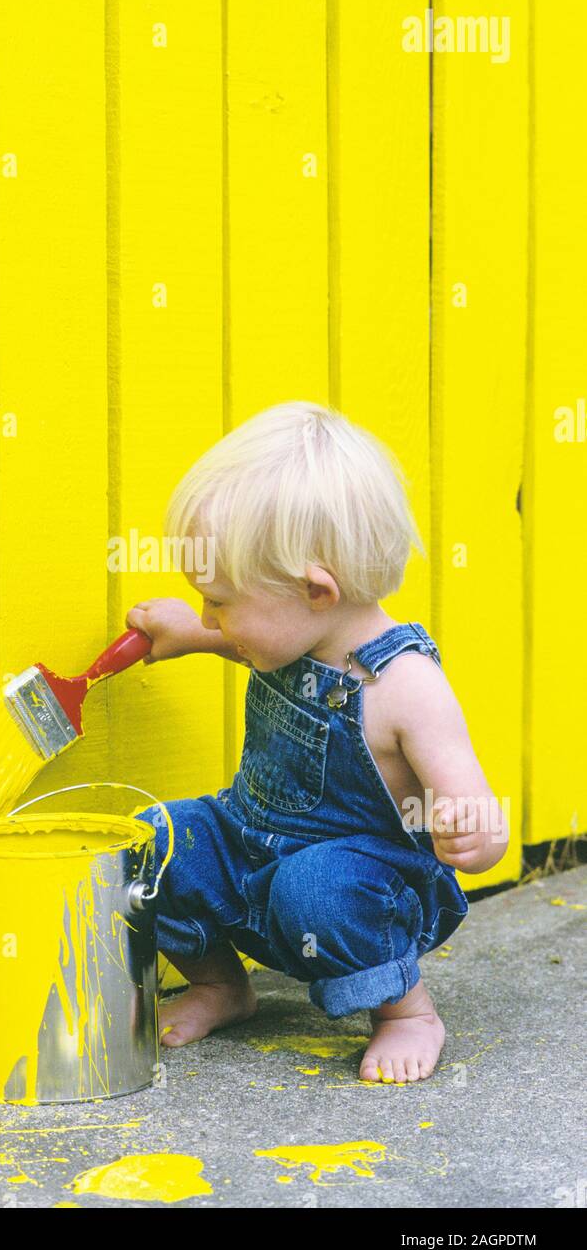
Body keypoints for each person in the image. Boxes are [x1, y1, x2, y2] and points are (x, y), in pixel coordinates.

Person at [127, 401, 508, 1084]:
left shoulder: (405, 685)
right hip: (250, 850)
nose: (214, 617)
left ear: (314, 590)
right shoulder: (293, 631)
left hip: (366, 889)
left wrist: (475, 833)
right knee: (154, 839)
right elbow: (257, 643)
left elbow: (472, 798)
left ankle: (405, 1013)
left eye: (219, 602)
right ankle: (221, 986)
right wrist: (189, 634)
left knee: (320, 889)